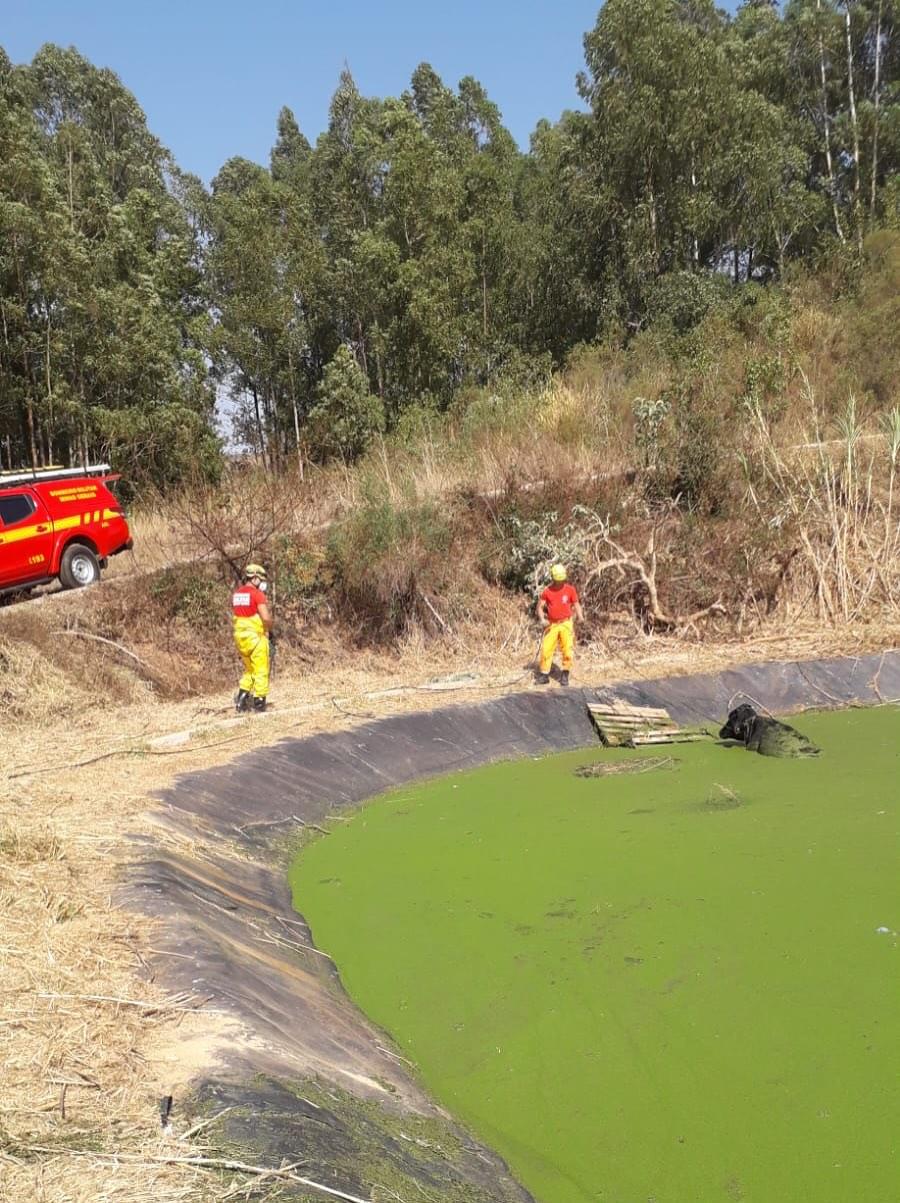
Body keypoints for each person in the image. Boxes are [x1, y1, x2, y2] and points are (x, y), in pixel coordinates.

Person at [232, 563, 273, 712]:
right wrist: (269, 628)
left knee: (250, 670)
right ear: (254, 578)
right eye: (260, 579)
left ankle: (241, 700)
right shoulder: (257, 594)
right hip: (256, 638)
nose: (262, 582)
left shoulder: (237, 594)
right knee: (261, 670)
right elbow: (265, 618)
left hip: (241, 639)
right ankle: (259, 703)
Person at [535, 563, 584, 686]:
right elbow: (539, 607)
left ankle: (565, 674)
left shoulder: (570, 589)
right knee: (546, 649)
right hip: (552, 624)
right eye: (557, 580)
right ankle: (544, 675)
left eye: (561, 580)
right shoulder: (547, 591)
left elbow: (576, 604)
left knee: (567, 649)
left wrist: (580, 616)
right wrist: (542, 619)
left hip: (566, 623)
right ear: (553, 578)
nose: (559, 582)